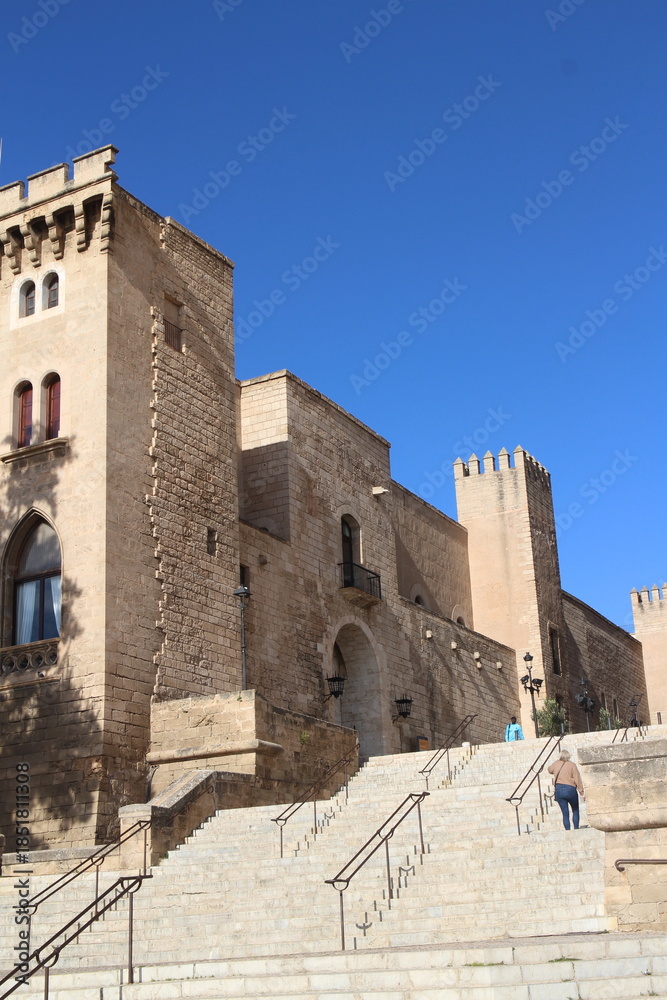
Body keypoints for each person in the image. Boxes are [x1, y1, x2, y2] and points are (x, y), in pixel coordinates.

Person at [548, 750, 585, 830]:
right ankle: (576, 828)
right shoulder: (572, 765)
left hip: (559, 789)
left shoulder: (556, 764)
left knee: (565, 813)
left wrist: (557, 762)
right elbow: (577, 778)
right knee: (575, 809)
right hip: (570, 789)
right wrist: (581, 791)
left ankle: (567, 830)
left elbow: (549, 770)